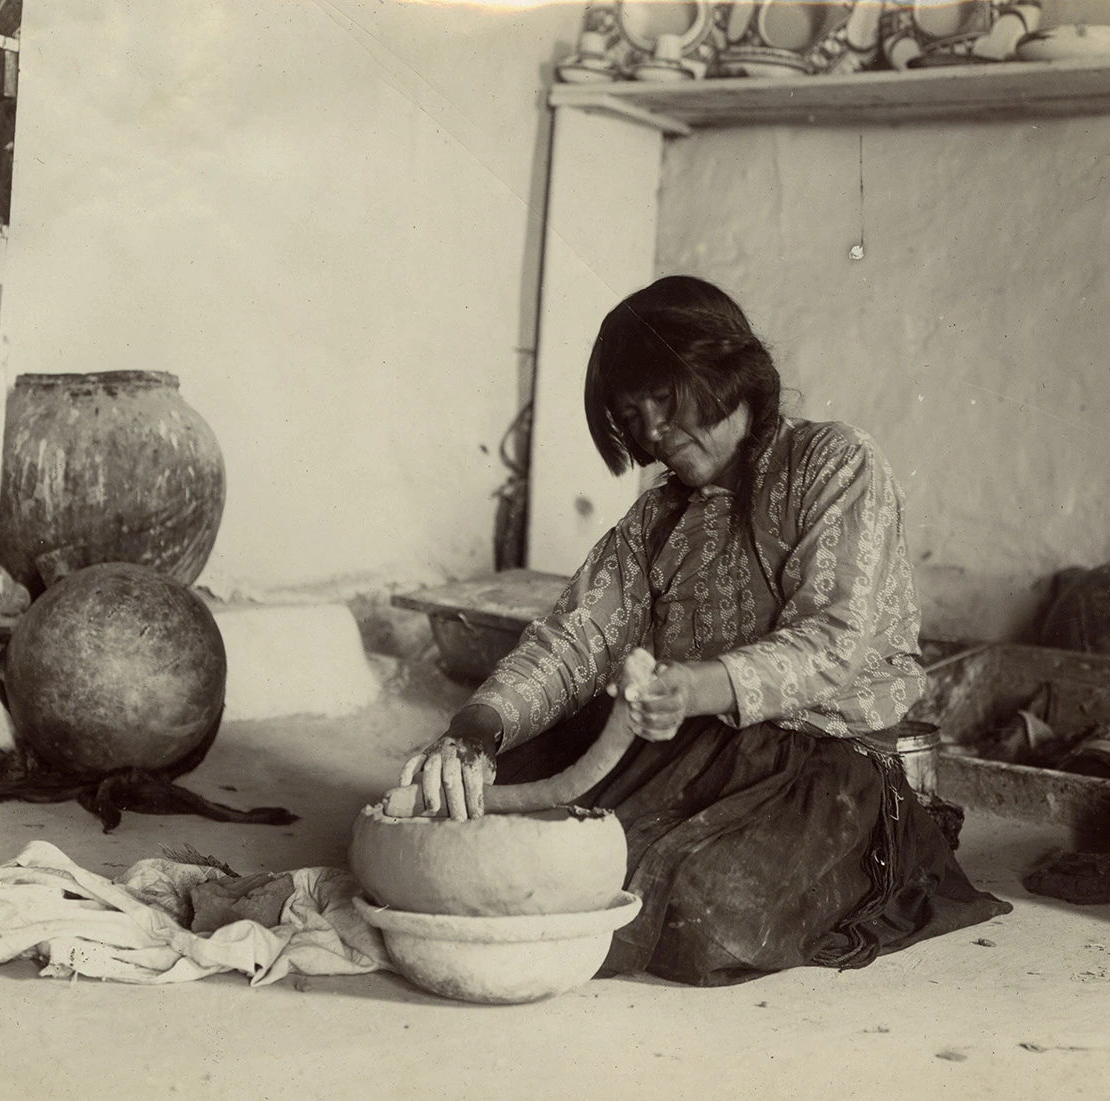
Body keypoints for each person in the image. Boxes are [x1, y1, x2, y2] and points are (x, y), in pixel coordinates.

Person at [399, 275, 1010, 986]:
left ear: (722, 369)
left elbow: (836, 640)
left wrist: (698, 685)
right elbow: (571, 640)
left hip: (823, 764)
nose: (653, 431)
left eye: (664, 399)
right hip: (691, 748)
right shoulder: (656, 521)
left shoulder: (834, 463)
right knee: (494, 831)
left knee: (694, 908)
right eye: (635, 414)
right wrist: (478, 726)